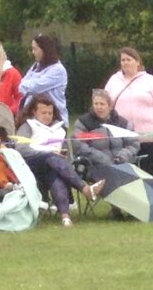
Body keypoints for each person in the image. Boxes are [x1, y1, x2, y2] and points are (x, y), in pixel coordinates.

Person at [15, 96, 98, 226]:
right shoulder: (27, 126)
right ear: (34, 112)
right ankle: (84, 188)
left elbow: (67, 154)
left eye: (50, 113)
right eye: (43, 113)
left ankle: (65, 217)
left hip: (55, 166)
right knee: (51, 157)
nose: (47, 116)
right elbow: (21, 149)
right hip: (31, 164)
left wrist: (64, 157)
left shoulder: (60, 129)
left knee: (55, 174)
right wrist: (46, 152)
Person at [106, 48, 153, 147]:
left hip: (149, 138)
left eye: (129, 60)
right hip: (121, 140)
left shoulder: (150, 80)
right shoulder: (113, 81)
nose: (125, 63)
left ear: (138, 62)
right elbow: (105, 104)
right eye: (123, 60)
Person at [72, 88, 137, 183]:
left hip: (123, 164)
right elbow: (79, 145)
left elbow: (133, 144)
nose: (98, 107)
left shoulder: (122, 123)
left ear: (110, 106)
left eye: (102, 104)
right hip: (96, 166)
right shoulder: (84, 122)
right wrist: (102, 158)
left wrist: (122, 156)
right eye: (96, 104)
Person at [18, 34, 68, 123]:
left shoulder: (58, 70)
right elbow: (21, 85)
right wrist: (27, 85)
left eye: (35, 49)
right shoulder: (36, 66)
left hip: (54, 120)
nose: (33, 52)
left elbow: (35, 87)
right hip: (33, 118)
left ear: (44, 50)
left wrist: (27, 85)